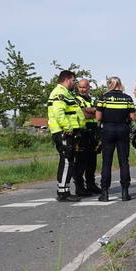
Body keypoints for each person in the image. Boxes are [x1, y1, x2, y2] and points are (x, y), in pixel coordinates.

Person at [94, 76, 136, 201]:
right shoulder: (127, 98)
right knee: (124, 161)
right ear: (120, 84)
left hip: (107, 130)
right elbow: (133, 117)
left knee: (107, 162)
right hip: (123, 130)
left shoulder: (104, 98)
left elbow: (98, 117)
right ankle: (125, 192)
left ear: (109, 85)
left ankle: (105, 193)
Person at [46, 70, 83, 202]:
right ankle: (63, 193)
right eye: (74, 80)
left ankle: (64, 190)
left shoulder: (65, 93)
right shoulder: (60, 93)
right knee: (67, 161)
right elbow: (58, 112)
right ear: (67, 79)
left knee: (68, 160)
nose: (75, 83)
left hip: (66, 131)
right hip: (63, 132)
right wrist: (67, 127)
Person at [72, 78, 101, 197]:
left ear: (89, 87)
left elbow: (100, 113)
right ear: (77, 88)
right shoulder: (74, 100)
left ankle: (91, 184)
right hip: (81, 133)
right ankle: (79, 187)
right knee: (80, 162)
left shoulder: (93, 99)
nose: (83, 89)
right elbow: (83, 113)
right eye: (80, 87)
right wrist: (92, 111)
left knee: (92, 161)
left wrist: (91, 111)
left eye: (85, 87)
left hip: (93, 132)